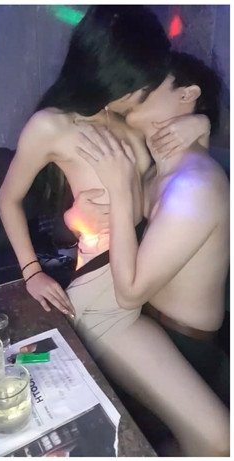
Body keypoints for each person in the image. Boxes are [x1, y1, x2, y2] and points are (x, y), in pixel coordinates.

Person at [0, 6, 227, 456]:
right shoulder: (51, 125)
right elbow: (8, 197)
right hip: (107, 301)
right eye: (143, 80)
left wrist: (200, 121)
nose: (146, 88)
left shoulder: (132, 121)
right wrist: (31, 271)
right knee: (216, 436)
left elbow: (163, 178)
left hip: (140, 291)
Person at [77, 51, 229, 406]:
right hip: (142, 322)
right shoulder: (155, 172)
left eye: (147, 83)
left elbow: (130, 292)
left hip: (184, 344)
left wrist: (118, 190)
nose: (131, 89)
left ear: (187, 94)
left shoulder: (196, 185)